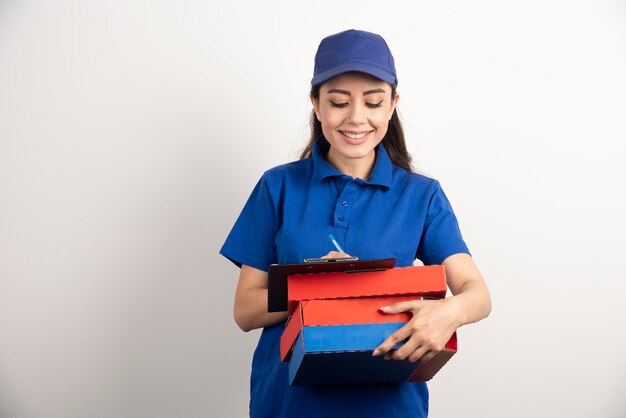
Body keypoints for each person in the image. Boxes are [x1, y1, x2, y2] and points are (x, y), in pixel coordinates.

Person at [220, 29, 491, 418]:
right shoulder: (277, 187)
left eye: (374, 102)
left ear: (393, 104)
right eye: (339, 102)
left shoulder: (422, 195)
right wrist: (323, 285)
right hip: (288, 404)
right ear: (316, 104)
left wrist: (449, 312)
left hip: (389, 405)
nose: (356, 118)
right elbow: (245, 310)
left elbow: (477, 293)